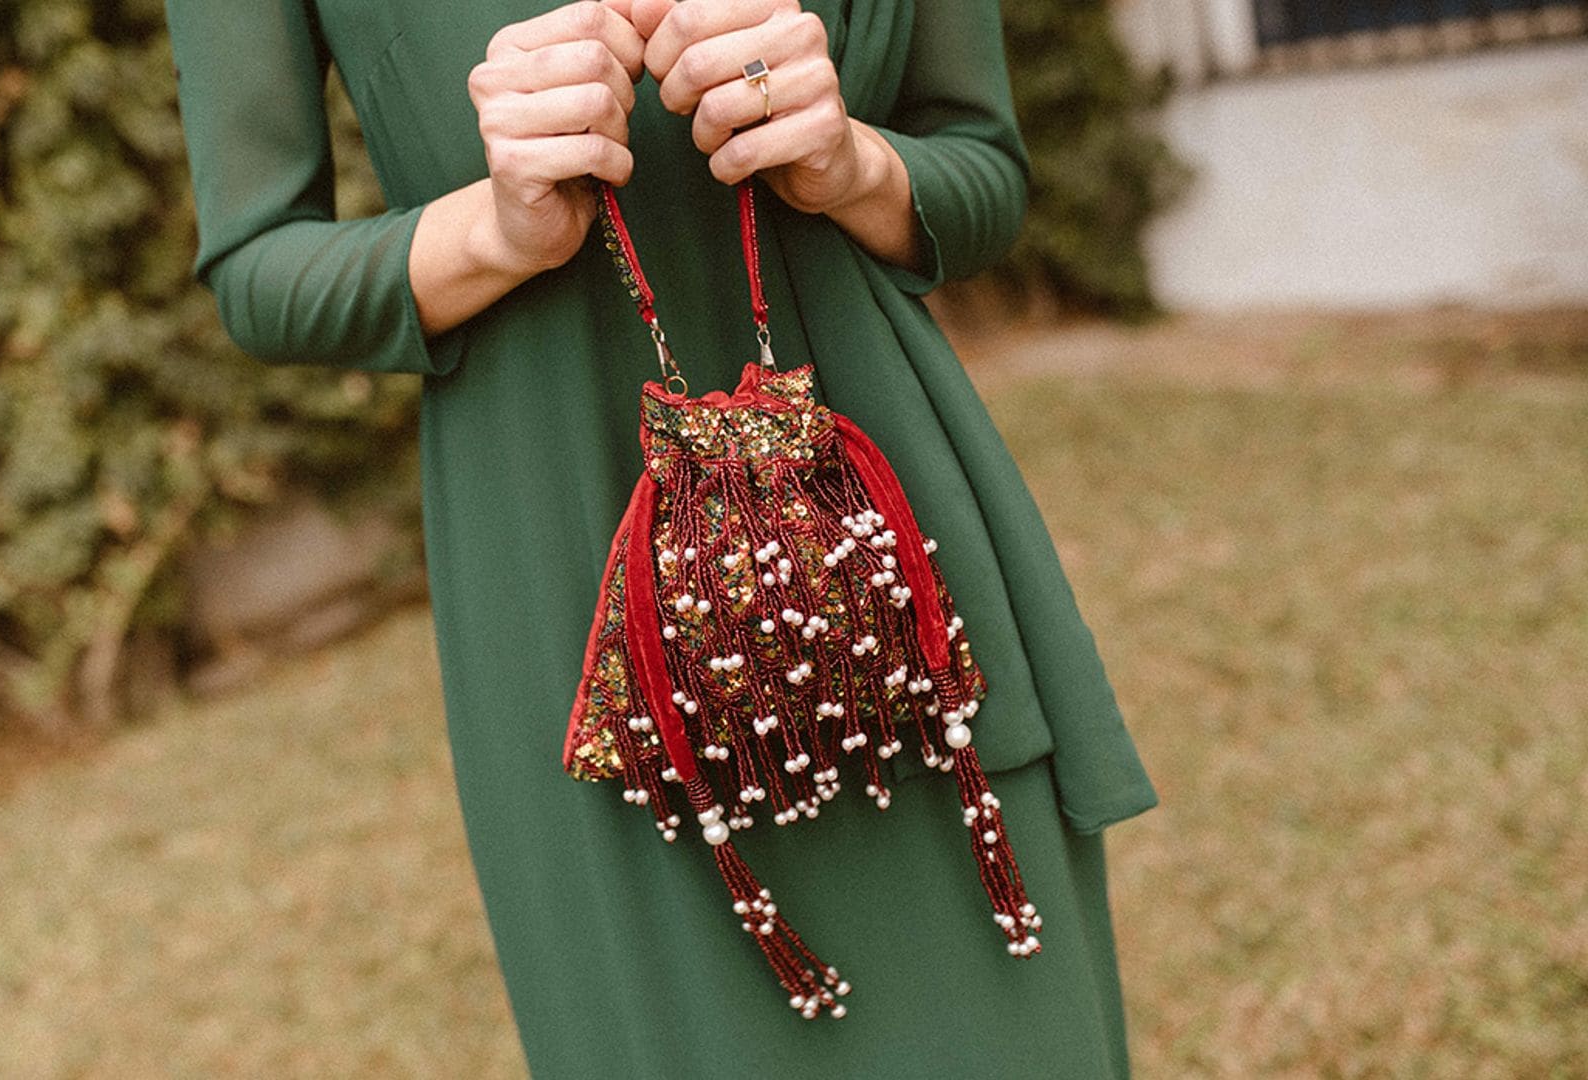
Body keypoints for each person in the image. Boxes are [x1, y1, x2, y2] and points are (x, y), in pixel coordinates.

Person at [165, 0, 1160, 1075]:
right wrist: (495, 233)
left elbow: (985, 173)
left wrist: (850, 163)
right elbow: (259, 270)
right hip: (565, 566)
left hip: (888, 564)